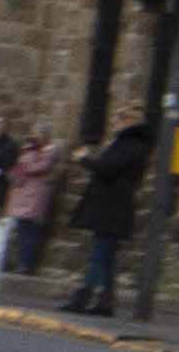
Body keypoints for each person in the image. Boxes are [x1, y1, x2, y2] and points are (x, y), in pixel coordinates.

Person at [65, 120, 152, 315]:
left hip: (111, 208)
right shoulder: (134, 146)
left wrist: (84, 159)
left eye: (119, 120)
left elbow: (107, 169)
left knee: (99, 255)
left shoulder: (127, 146)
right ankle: (106, 302)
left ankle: (83, 297)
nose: (114, 123)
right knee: (107, 258)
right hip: (115, 207)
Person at [0, 121, 64, 275]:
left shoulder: (49, 152)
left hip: (34, 196)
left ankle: (25, 264)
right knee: (17, 231)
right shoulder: (29, 149)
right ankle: (11, 262)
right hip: (21, 194)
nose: (34, 136)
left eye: (37, 133)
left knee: (29, 233)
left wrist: (27, 158)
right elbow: (19, 165)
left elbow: (36, 167)